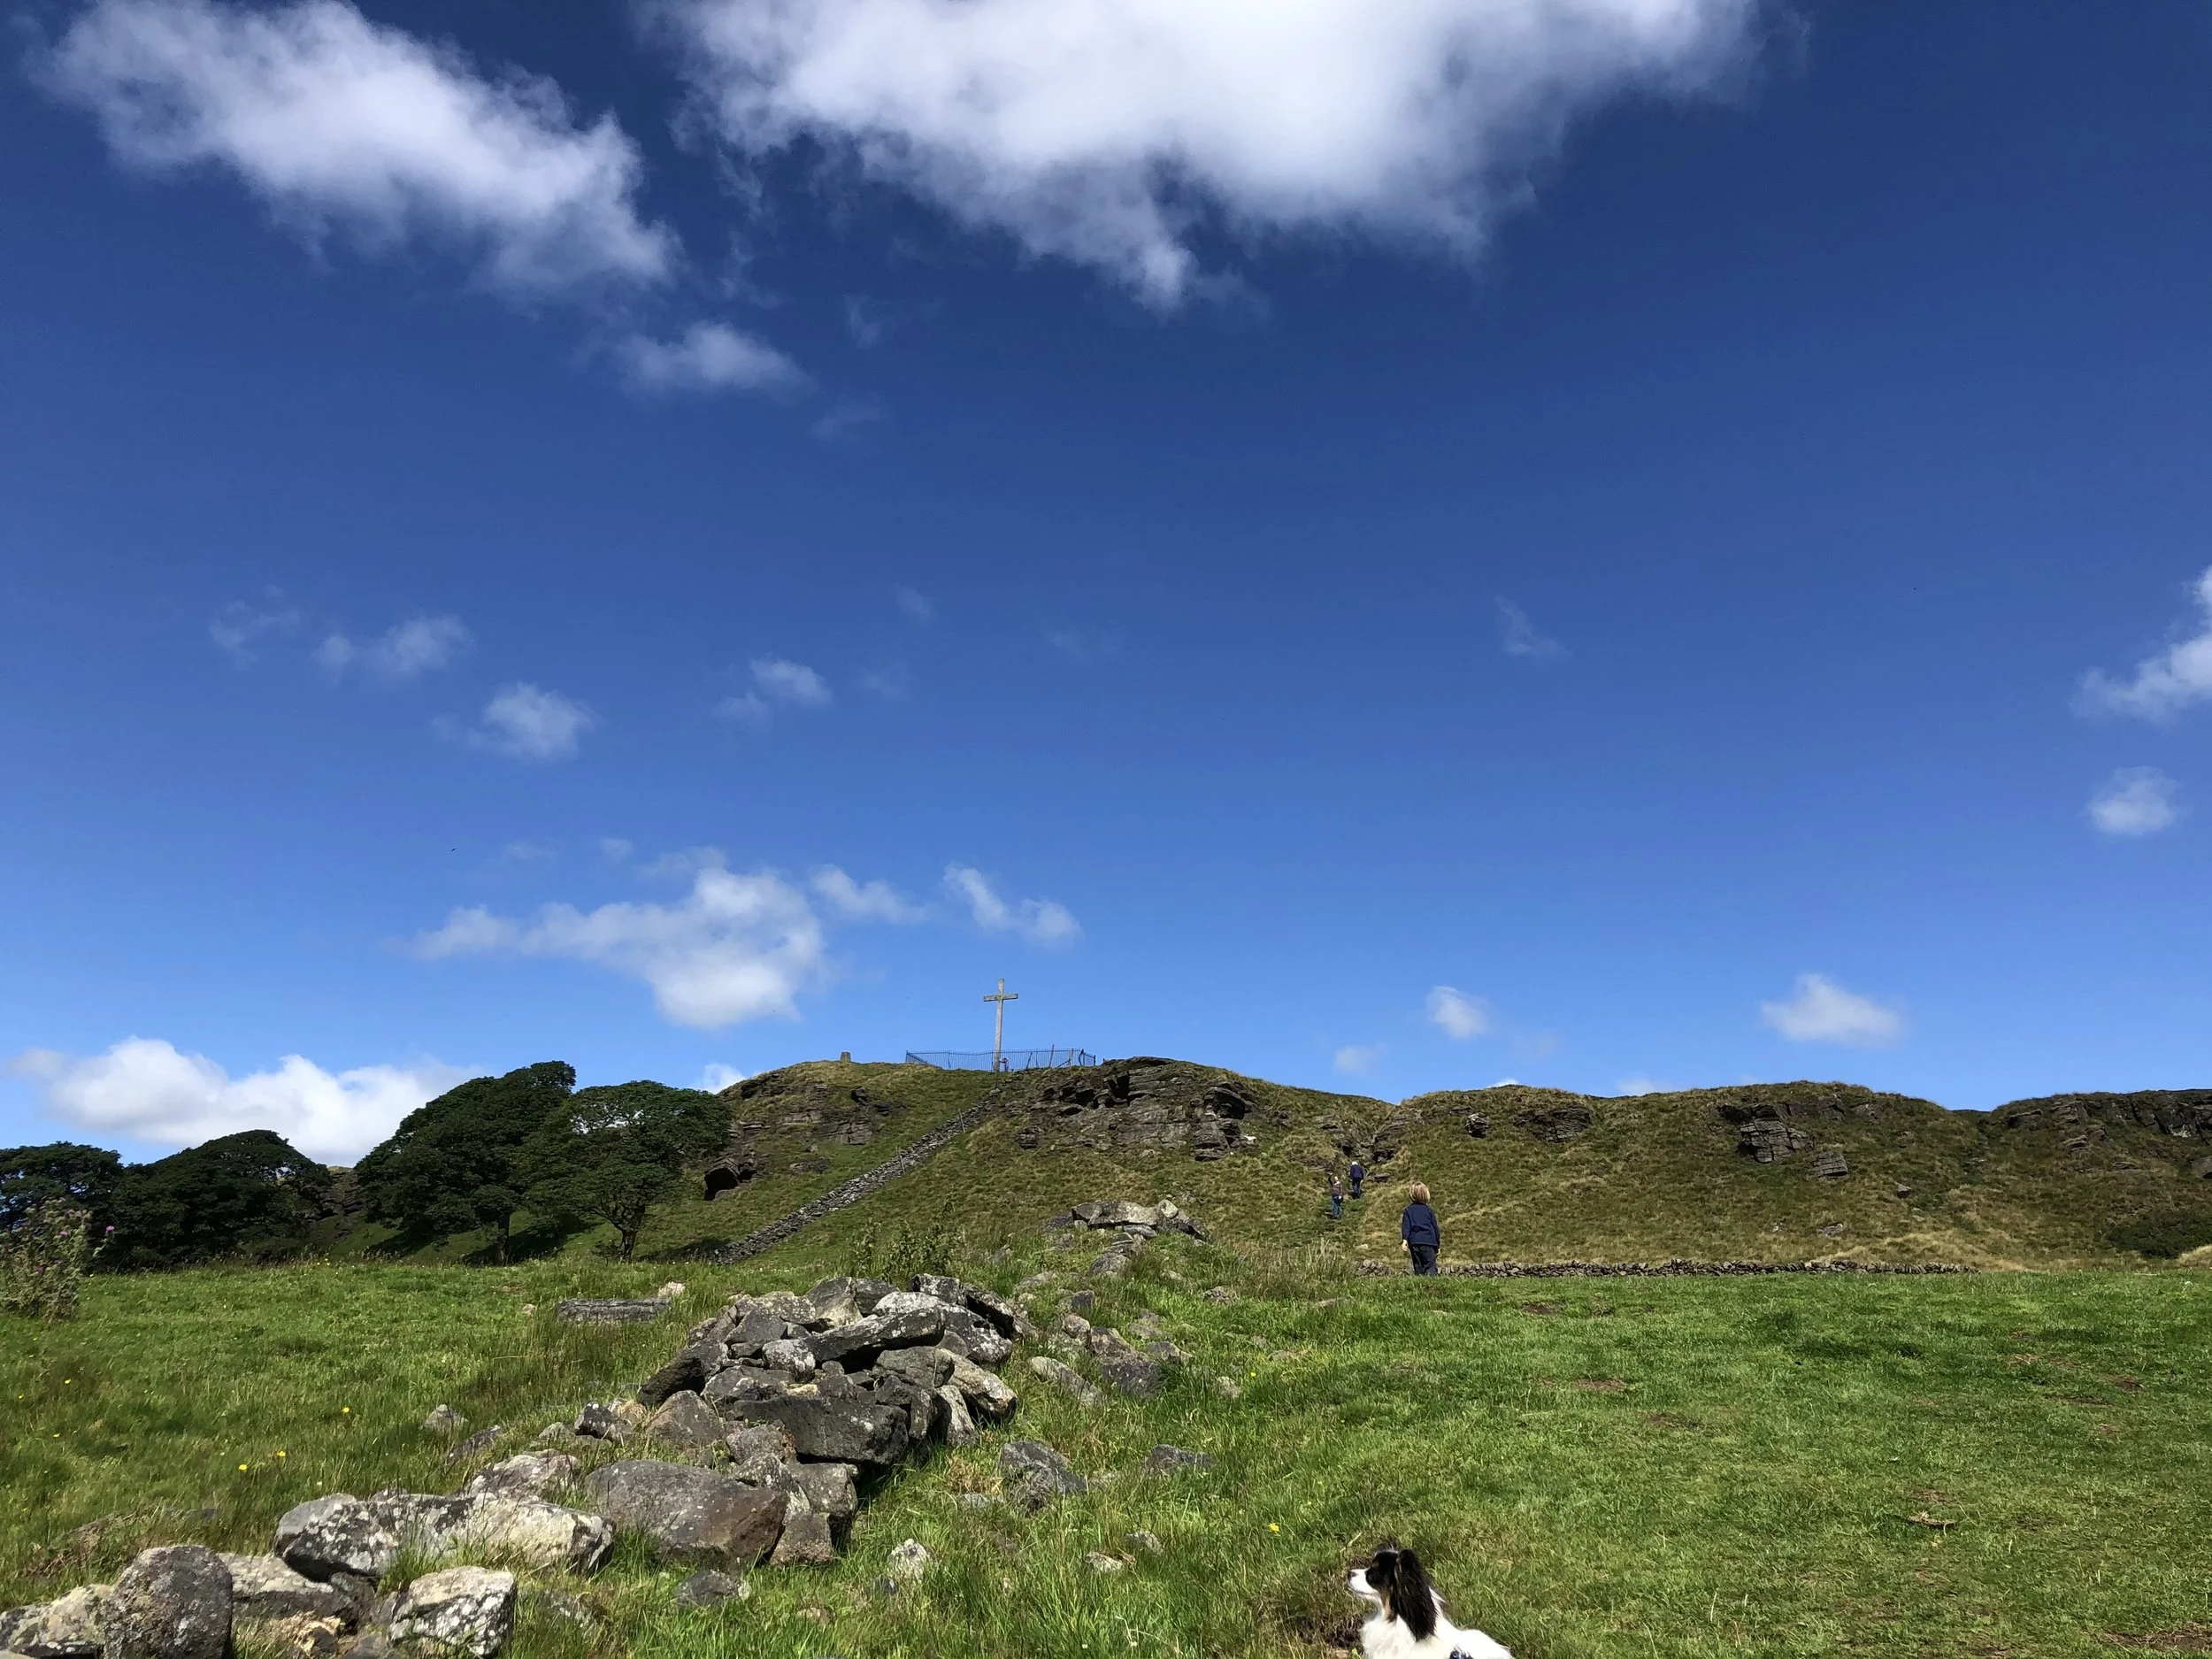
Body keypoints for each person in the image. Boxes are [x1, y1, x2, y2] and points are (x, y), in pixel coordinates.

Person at [1400, 1183, 1440, 1276]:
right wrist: (1437, 1245)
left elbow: (1406, 1226)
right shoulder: (1429, 1211)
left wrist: (1405, 1240)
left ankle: (1420, 1283)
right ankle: (1430, 1284)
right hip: (1428, 1241)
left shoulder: (1408, 1210)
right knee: (1430, 1265)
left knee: (1418, 1265)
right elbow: (1435, 1228)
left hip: (1414, 1242)